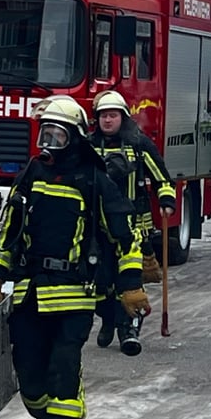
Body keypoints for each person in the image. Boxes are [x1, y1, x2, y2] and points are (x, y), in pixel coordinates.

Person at [0, 95, 147, 419]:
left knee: (63, 372)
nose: (50, 143)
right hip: (31, 295)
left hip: (75, 296)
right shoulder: (32, 173)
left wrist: (131, 286)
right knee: (30, 377)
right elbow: (9, 230)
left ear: (74, 137)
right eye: (45, 134)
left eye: (57, 135)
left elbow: (125, 236)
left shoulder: (93, 179)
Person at [89, 90, 176, 356]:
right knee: (101, 284)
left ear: (123, 118)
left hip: (134, 228)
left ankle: (128, 331)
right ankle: (108, 319)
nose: (108, 120)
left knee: (130, 283)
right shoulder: (88, 147)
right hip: (97, 228)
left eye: (113, 116)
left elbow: (162, 178)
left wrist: (167, 200)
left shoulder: (139, 145)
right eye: (103, 116)